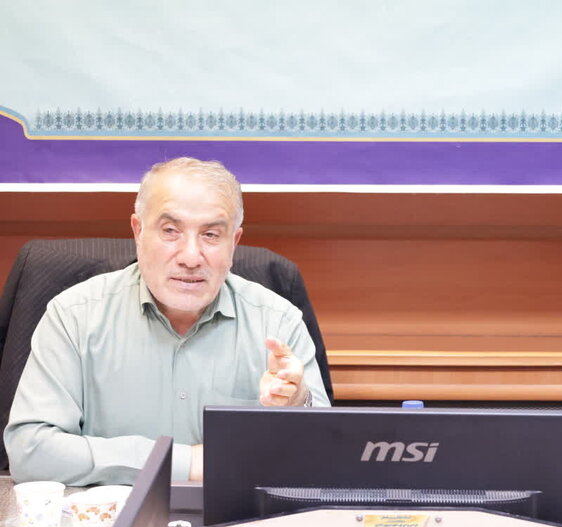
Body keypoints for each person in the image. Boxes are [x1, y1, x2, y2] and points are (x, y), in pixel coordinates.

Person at [4, 157, 329, 485]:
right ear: (138, 231)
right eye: (170, 231)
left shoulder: (278, 323)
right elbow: (30, 451)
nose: (190, 257)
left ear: (234, 242)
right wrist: (185, 462)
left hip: (236, 514)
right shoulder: (74, 315)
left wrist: (298, 404)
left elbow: (327, 455)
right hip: (110, 515)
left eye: (211, 235)